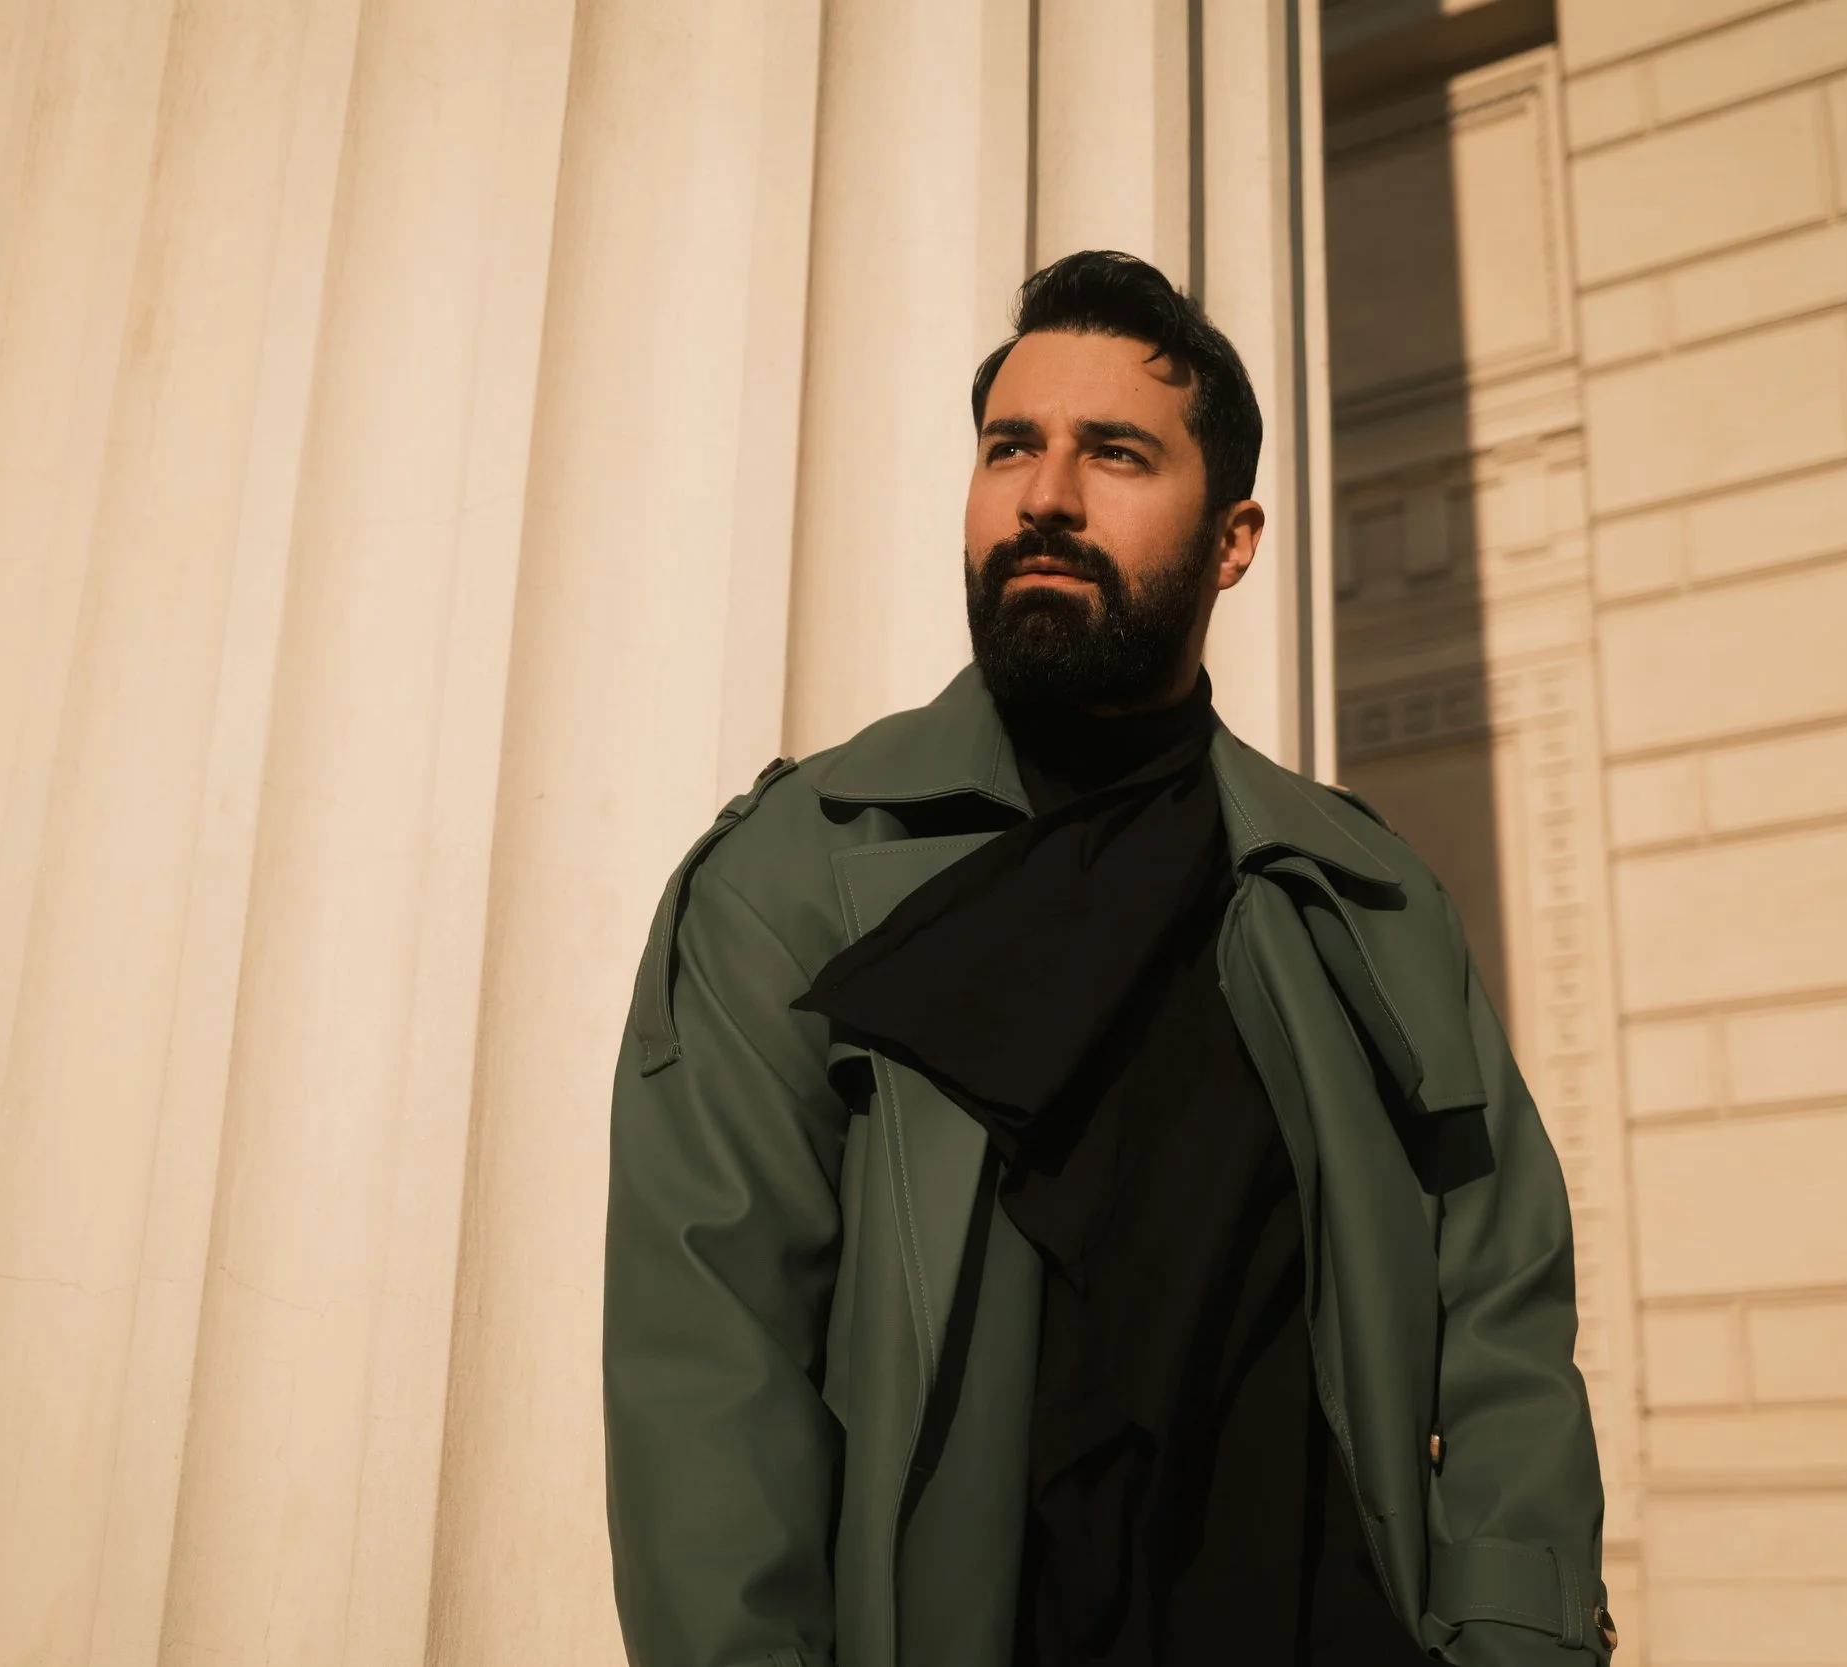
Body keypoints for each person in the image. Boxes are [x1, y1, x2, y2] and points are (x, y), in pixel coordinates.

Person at [604, 250, 1610, 1667]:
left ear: (1234, 540)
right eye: (1010, 447)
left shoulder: (1364, 893)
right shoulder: (794, 875)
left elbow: (1501, 1309)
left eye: (1117, 454)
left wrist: (1513, 1641)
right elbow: (711, 1386)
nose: (1046, 496)